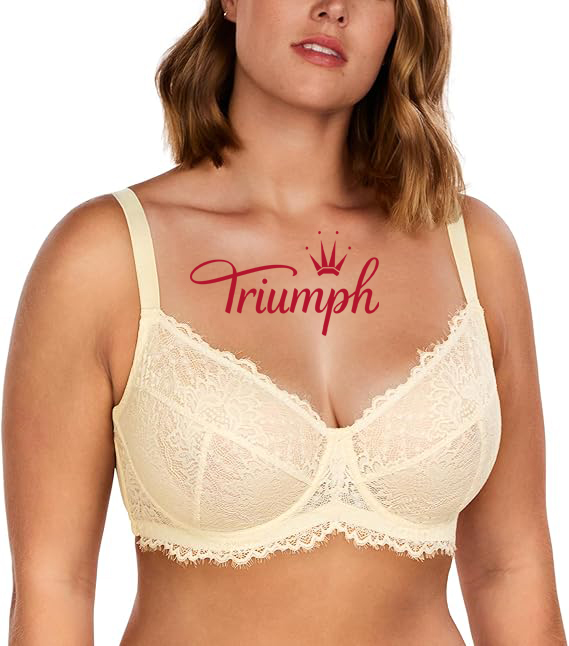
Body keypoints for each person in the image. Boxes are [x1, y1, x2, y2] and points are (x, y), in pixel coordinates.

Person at [3, 0, 566, 644]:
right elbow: (54, 586)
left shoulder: (474, 250)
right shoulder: (103, 258)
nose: (334, 9)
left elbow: (509, 568)